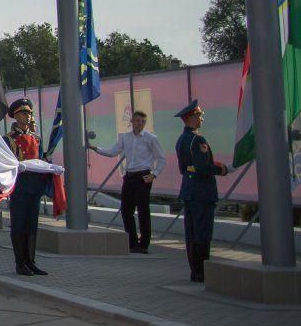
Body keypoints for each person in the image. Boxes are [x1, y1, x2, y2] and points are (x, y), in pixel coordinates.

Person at [89, 110, 166, 253]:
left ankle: (143, 244)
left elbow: (161, 158)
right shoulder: (126, 137)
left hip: (143, 175)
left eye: (143, 121)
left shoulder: (150, 138)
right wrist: (96, 149)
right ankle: (132, 241)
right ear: (132, 122)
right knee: (126, 210)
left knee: (143, 210)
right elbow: (113, 152)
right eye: (137, 121)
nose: (140, 124)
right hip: (130, 176)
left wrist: (154, 174)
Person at [174, 100, 227, 282]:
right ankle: (202, 271)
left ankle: (195, 270)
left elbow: (184, 168)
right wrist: (221, 169)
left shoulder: (182, 139)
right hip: (202, 192)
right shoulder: (198, 140)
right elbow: (203, 167)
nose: (201, 118)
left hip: (189, 190)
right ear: (190, 118)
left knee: (191, 232)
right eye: (199, 115)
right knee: (202, 231)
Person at [6, 98, 51, 277]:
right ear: (16, 117)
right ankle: (20, 263)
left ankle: (31, 261)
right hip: (19, 186)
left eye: (29, 113)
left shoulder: (36, 138)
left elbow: (41, 159)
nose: (28, 116)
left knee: (32, 225)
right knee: (19, 224)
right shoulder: (9, 139)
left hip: (34, 186)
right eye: (24, 113)